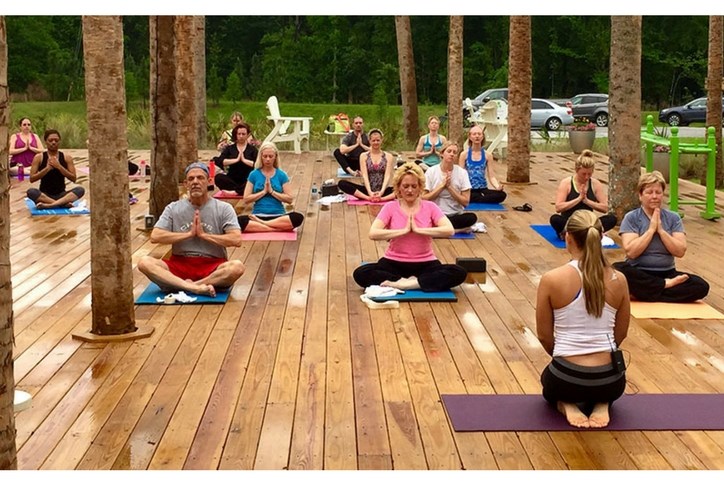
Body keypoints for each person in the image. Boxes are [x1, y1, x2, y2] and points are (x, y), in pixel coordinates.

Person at [536, 209, 630, 428]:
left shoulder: (552, 279)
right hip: (610, 381)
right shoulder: (619, 279)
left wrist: (563, 356)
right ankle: (602, 401)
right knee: (602, 386)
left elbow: (544, 336)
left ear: (568, 237)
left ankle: (566, 402)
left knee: (548, 383)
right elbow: (621, 333)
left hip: (566, 380)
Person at [353, 162, 467, 292]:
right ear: (398, 188)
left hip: (425, 262)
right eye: (405, 186)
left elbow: (449, 230)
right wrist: (403, 231)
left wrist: (419, 230)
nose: (410, 190)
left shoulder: (430, 207)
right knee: (361, 273)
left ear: (420, 188)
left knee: (459, 272)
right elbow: (373, 233)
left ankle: (409, 284)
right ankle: (406, 281)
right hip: (393, 261)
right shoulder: (390, 207)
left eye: (414, 186)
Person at [137, 162, 245, 296]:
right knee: (144, 262)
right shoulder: (173, 208)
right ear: (185, 184)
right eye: (191, 179)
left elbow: (236, 239)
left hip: (212, 265)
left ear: (209, 181)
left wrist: (204, 235)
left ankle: (189, 285)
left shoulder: (223, 208)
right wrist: (188, 234)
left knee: (237, 267)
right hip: (180, 264)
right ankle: (195, 288)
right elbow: (156, 236)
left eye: (200, 178)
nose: (195, 182)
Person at [612, 171, 709, 303]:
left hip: (667, 272)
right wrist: (651, 230)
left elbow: (680, 251)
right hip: (639, 272)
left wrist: (661, 231)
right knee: (618, 269)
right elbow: (631, 252)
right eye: (649, 192)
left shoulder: (673, 218)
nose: (654, 196)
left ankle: (644, 293)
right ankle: (664, 286)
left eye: (658, 192)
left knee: (701, 286)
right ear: (640, 195)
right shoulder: (632, 218)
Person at [549, 149, 616, 240]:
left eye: (589, 174)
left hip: (588, 223)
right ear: (577, 170)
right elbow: (558, 207)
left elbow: (604, 208)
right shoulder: (566, 183)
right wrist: (578, 199)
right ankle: (580, 234)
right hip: (571, 222)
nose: (587, 177)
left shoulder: (595, 184)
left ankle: (581, 234)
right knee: (555, 219)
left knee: (612, 219)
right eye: (583, 174)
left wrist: (587, 201)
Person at [238, 142, 305, 233]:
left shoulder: (281, 175)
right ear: (260, 157)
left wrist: (272, 191)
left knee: (298, 217)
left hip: (278, 216)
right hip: (258, 215)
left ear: (275, 157)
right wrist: (264, 192)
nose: (268, 159)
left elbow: (289, 199)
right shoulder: (253, 174)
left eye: (270, 156)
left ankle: (262, 225)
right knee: (239, 221)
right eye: (265, 156)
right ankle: (275, 228)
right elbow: (246, 199)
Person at [423, 141, 477, 232]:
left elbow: (466, 202)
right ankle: (456, 230)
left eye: (454, 152)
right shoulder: (431, 171)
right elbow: (423, 198)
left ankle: (441, 229)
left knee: (472, 217)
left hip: (455, 214)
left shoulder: (462, 173)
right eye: (449, 151)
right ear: (442, 153)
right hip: (436, 215)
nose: (452, 154)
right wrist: (441, 186)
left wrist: (450, 188)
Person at [26, 129, 85, 209]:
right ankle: (61, 204)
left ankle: (51, 205)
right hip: (44, 195)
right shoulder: (39, 157)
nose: (53, 142)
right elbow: (32, 179)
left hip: (62, 195)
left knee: (80, 190)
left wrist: (59, 167)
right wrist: (47, 168)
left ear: (59, 141)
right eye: (50, 140)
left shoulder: (66, 158)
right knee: (31, 192)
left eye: (56, 140)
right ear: (46, 142)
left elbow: (73, 178)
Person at [338, 128, 396, 203]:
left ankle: (382, 199)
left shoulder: (388, 156)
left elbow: (387, 176)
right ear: (370, 141)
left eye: (378, 140)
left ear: (382, 140)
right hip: (367, 190)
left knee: (403, 189)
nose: (376, 143)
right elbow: (364, 175)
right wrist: (370, 193)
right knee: (342, 183)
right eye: (373, 141)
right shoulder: (364, 156)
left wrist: (381, 192)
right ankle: (368, 198)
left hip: (383, 190)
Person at [457, 124, 507, 204]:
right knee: (462, 195)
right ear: (470, 137)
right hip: (469, 189)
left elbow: (492, 176)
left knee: (502, 195)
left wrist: (497, 187)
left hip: (483, 188)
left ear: (482, 136)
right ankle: (479, 197)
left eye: (479, 134)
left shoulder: (488, 155)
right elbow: (460, 175)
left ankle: (477, 198)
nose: (477, 136)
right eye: (474, 134)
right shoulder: (464, 154)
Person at [214, 122, 258, 195]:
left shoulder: (253, 149)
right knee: (218, 177)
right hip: (232, 179)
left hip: (247, 179)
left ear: (247, 135)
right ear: (236, 135)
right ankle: (241, 191)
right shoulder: (230, 148)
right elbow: (220, 161)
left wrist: (244, 160)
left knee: (256, 179)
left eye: (243, 134)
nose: (241, 136)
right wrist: (236, 160)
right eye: (239, 134)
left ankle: (236, 192)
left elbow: (258, 164)